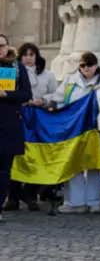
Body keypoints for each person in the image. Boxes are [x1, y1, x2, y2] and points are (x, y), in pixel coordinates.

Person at [52, 52, 100, 214]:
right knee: (74, 165)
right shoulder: (70, 80)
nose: (87, 68)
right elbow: (57, 99)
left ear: (96, 65)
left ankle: (94, 201)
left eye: (90, 64)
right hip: (73, 130)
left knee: (94, 165)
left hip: (96, 131)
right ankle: (75, 202)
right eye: (83, 65)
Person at [4, 43, 58, 212]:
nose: (28, 57)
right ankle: (12, 197)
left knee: (36, 156)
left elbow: (55, 95)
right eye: (25, 54)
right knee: (15, 158)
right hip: (17, 117)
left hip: (38, 119)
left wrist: (42, 101)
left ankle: (31, 194)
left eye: (31, 54)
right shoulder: (12, 71)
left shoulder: (47, 75)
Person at [0, 33, 33, 222]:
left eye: (2, 46)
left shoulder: (18, 68)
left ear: (8, 46)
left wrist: (6, 94)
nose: (0, 50)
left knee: (4, 171)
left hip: (9, 126)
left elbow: (26, 94)